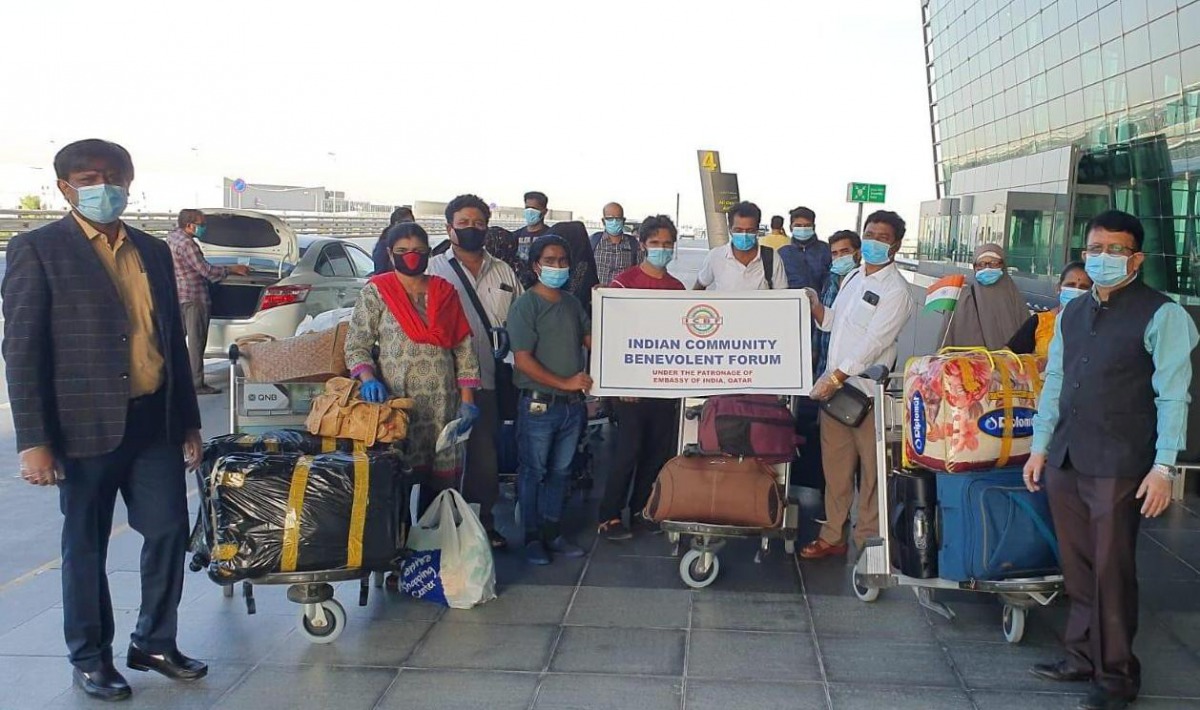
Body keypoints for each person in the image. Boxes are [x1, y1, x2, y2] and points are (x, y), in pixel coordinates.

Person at [2, 139, 207, 701]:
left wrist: (188, 420)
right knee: (86, 546)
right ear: (65, 187)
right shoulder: (37, 250)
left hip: (153, 423)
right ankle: (91, 658)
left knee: (168, 530)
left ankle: (154, 641)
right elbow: (21, 351)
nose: (103, 186)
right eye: (89, 177)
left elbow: (171, 339)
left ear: (130, 180)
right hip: (82, 428)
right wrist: (35, 442)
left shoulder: (152, 250)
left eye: (113, 175)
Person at [1024, 210, 1198, 710]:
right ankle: (1079, 656)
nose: (1102, 259)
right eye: (1094, 249)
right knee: (1077, 566)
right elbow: (1055, 382)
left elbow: (1173, 395)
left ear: (1137, 258)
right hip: (1067, 458)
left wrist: (1164, 466)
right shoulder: (1072, 313)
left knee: (1112, 570)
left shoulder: (1163, 315)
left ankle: (1118, 676)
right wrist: (1040, 447)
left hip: (1120, 463)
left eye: (1115, 250)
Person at [800, 211, 916, 559]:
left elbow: (874, 342)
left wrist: (835, 378)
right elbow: (835, 323)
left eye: (882, 237)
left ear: (895, 245)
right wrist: (816, 306)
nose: (873, 242)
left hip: (865, 393)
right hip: (834, 393)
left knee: (872, 474)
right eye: (870, 234)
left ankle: (868, 542)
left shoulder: (897, 292)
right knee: (835, 469)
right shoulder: (853, 276)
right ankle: (833, 535)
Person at [345, 222, 480, 498]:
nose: (411, 255)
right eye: (403, 250)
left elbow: (464, 348)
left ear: (428, 253)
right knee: (396, 488)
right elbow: (356, 343)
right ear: (390, 253)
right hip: (396, 405)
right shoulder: (377, 291)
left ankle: (436, 539)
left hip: (443, 405)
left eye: (418, 250)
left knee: (440, 491)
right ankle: (399, 540)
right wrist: (368, 379)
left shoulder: (444, 292)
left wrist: (468, 401)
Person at [428, 194, 523, 549]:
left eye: (478, 223)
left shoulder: (504, 272)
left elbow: (519, 319)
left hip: (486, 379)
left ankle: (483, 523)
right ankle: (438, 529)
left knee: (485, 458)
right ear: (449, 227)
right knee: (440, 458)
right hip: (438, 383)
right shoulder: (432, 268)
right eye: (464, 223)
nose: (471, 229)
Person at [597, 215, 686, 540]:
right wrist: (622, 383)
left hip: (663, 386)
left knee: (656, 451)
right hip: (630, 387)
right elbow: (614, 336)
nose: (661, 249)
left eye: (667, 244)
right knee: (628, 451)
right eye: (655, 243)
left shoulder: (677, 288)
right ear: (642, 244)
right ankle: (609, 516)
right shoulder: (623, 283)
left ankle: (640, 509)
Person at [508, 235, 593, 565]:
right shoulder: (525, 305)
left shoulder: (572, 303)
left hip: (571, 407)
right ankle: (531, 538)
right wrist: (565, 382)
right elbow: (523, 359)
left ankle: (552, 533)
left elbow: (592, 340)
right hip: (538, 406)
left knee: (561, 473)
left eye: (562, 261)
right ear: (535, 265)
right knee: (534, 472)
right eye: (550, 260)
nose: (557, 266)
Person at [167, 209, 251, 395]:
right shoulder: (188, 245)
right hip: (195, 297)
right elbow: (206, 271)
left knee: (177, 341)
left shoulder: (172, 238)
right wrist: (231, 269)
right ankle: (196, 384)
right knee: (196, 343)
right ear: (190, 225)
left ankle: (174, 380)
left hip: (179, 295)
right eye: (201, 224)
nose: (204, 228)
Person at [941, 243, 1029, 349]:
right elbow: (946, 343)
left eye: (994, 263)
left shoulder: (1013, 298)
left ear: (1003, 266)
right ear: (974, 268)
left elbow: (1027, 337)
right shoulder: (962, 300)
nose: (987, 268)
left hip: (1009, 363)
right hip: (970, 364)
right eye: (981, 264)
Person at [694, 201, 786, 291]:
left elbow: (784, 297)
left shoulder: (772, 257)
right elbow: (698, 288)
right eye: (738, 230)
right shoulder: (715, 256)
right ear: (730, 229)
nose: (744, 235)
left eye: (750, 230)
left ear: (757, 230)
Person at [1007, 261, 1093, 357]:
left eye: (1084, 287)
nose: (1076, 291)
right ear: (1058, 288)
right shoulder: (1039, 322)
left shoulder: (1097, 324)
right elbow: (1009, 356)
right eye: (1070, 285)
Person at [777, 206, 831, 292]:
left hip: (822, 303)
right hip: (792, 302)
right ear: (791, 228)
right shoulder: (782, 253)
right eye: (798, 226)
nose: (803, 229)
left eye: (807, 226)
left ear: (813, 227)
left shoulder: (826, 250)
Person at [590, 202, 642, 287]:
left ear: (623, 221)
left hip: (623, 297)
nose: (614, 222)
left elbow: (640, 274)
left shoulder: (634, 245)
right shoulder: (593, 242)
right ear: (603, 221)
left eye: (618, 218)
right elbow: (582, 271)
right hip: (596, 297)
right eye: (610, 219)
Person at [510, 191, 551, 288]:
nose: (529, 212)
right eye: (527, 208)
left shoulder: (551, 235)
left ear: (544, 212)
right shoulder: (516, 235)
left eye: (534, 209)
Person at [372, 206, 415, 275]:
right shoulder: (384, 244)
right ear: (396, 224)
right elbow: (380, 273)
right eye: (406, 222)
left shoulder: (415, 242)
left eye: (412, 223)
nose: (410, 226)